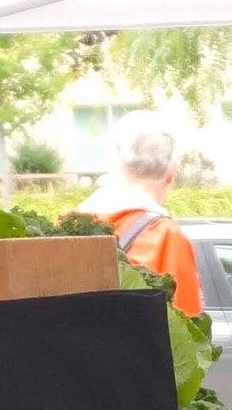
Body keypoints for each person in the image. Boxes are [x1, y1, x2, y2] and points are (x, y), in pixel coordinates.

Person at [78, 110, 204, 317]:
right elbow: (188, 331)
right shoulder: (166, 237)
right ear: (172, 173)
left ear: (116, 164)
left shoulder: (66, 225)